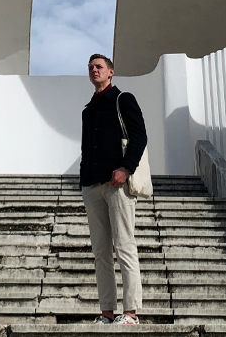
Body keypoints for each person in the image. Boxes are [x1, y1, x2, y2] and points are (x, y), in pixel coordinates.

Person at [80, 53, 147, 325]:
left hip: (117, 184)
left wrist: (126, 167)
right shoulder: (88, 110)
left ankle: (130, 312)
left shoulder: (123, 99)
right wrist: (84, 181)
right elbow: (86, 148)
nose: (94, 70)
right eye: (91, 67)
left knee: (124, 246)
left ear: (111, 72)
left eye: (99, 67)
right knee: (101, 253)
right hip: (92, 185)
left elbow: (139, 135)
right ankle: (107, 312)